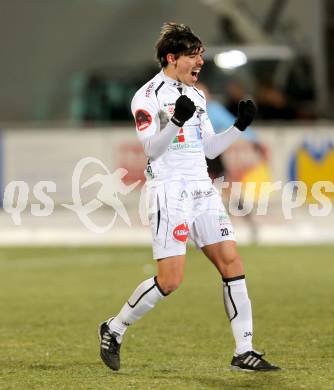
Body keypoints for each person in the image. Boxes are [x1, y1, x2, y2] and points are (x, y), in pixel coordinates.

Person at [98, 22, 280, 372]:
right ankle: (114, 327)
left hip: (202, 188)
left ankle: (244, 350)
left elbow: (209, 146)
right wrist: (175, 122)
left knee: (232, 263)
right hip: (170, 190)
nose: (200, 62)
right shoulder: (147, 96)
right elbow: (152, 148)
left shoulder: (197, 95)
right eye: (193, 56)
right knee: (170, 280)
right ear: (171, 58)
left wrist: (237, 128)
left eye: (201, 56)